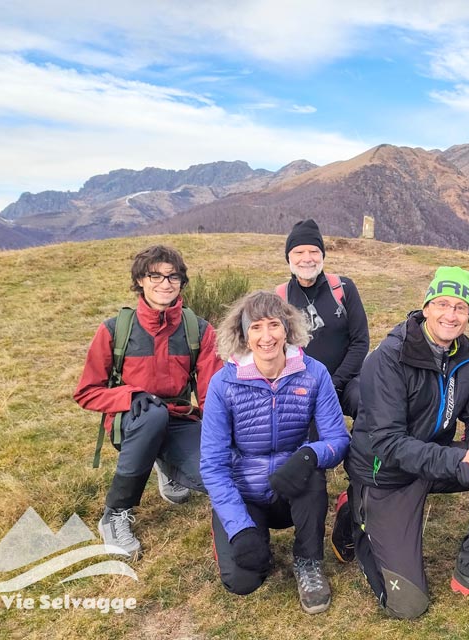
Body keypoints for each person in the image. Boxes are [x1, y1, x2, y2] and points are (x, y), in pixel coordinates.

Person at [333, 266, 469, 618]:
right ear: (426, 307)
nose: (450, 315)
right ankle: (356, 515)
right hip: (386, 475)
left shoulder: (466, 356)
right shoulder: (389, 358)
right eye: (442, 304)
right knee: (408, 606)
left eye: (460, 308)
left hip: (431, 463)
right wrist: (458, 462)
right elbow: (389, 444)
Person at [199, 291, 350, 614]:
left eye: (273, 326)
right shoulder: (223, 384)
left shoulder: (314, 374)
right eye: (256, 328)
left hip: (291, 488)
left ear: (287, 329)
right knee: (242, 582)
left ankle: (308, 561)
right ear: (242, 334)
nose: (266, 337)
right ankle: (244, 534)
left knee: (312, 476)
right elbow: (212, 465)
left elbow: (337, 439)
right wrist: (240, 527)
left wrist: (309, 455)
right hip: (246, 494)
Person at [74, 245, 222, 557]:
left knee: (211, 474)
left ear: (181, 282)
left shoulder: (199, 330)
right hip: (133, 420)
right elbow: (87, 392)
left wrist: (218, 442)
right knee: (153, 416)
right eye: (155, 275)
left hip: (179, 419)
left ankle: (166, 464)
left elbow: (212, 394)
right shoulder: (115, 330)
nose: (165, 283)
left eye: (173, 276)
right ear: (140, 280)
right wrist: (130, 395)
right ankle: (115, 514)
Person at [277, 219, 369, 418]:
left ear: (322, 255)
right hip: (300, 386)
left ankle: (363, 448)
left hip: (345, 383)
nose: (307, 258)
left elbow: (360, 342)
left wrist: (334, 383)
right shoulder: (280, 297)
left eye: (314, 251)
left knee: (366, 402)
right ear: (289, 258)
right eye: (299, 252)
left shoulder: (344, 289)